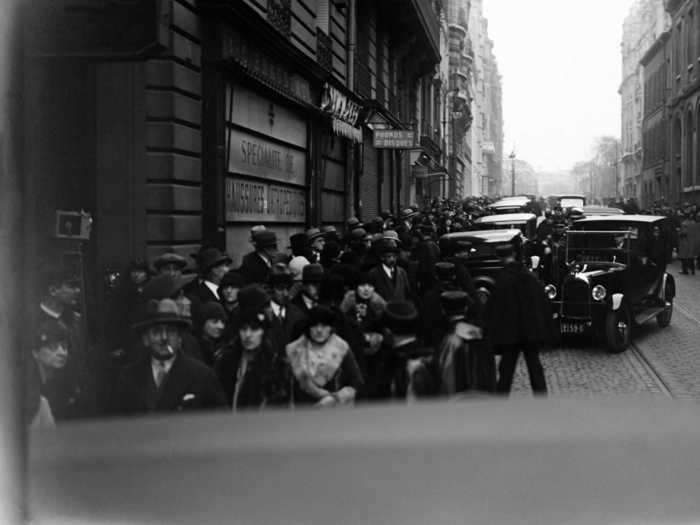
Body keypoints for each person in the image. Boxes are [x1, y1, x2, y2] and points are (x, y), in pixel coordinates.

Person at [110, 298, 227, 415]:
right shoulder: (128, 377)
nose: (164, 338)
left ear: (180, 337)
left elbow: (221, 423)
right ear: (146, 339)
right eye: (157, 331)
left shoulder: (202, 376)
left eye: (171, 331)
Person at [485, 244, 549, 396]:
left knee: (506, 370)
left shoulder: (501, 279)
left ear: (500, 258)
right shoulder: (528, 276)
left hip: (510, 333)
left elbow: (495, 308)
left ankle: (501, 401)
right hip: (529, 331)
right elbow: (541, 301)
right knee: (535, 367)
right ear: (513, 255)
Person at [284, 305, 364, 407]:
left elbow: (357, 381)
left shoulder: (341, 347)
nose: (319, 330)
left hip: (333, 412)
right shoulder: (294, 350)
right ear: (308, 327)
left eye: (324, 326)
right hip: (301, 413)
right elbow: (283, 386)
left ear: (331, 327)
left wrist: (335, 398)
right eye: (314, 326)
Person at [214, 302, 286, 411]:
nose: (247, 335)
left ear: (263, 332)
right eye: (243, 329)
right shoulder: (225, 361)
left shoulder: (275, 365)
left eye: (254, 329)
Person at [30, 319, 89, 421]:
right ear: (36, 353)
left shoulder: (63, 390)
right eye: (53, 346)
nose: (62, 352)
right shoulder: (32, 395)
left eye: (64, 346)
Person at [196, 301, 229, 367]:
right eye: (215, 321)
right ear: (203, 322)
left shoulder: (224, 348)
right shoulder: (193, 347)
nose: (221, 326)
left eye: (223, 322)